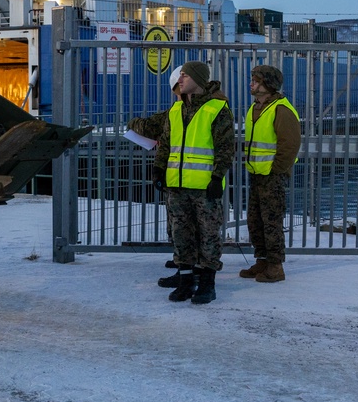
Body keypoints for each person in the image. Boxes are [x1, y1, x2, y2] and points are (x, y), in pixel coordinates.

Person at [152, 61, 235, 304]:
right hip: (176, 186)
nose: (180, 80)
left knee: (208, 236)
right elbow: (166, 143)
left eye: (185, 76)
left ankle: (207, 285)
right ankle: (186, 282)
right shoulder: (176, 110)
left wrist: (217, 177)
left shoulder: (217, 109)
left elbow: (225, 148)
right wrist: (158, 170)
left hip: (203, 186)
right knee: (181, 235)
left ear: (198, 79)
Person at [240, 65, 301, 283]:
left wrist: (276, 170)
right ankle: (262, 260)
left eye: (256, 80)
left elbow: (290, 144)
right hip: (257, 174)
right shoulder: (255, 108)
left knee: (272, 221)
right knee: (255, 220)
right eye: (252, 79)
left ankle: (275, 266)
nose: (252, 83)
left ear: (268, 84)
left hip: (271, 177)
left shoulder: (281, 110)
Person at [127, 66, 183, 272]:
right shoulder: (178, 112)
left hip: (182, 174)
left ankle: (186, 262)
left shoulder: (174, 113)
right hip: (181, 173)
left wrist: (132, 122)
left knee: (181, 221)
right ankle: (182, 259)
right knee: (182, 221)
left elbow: (146, 126)